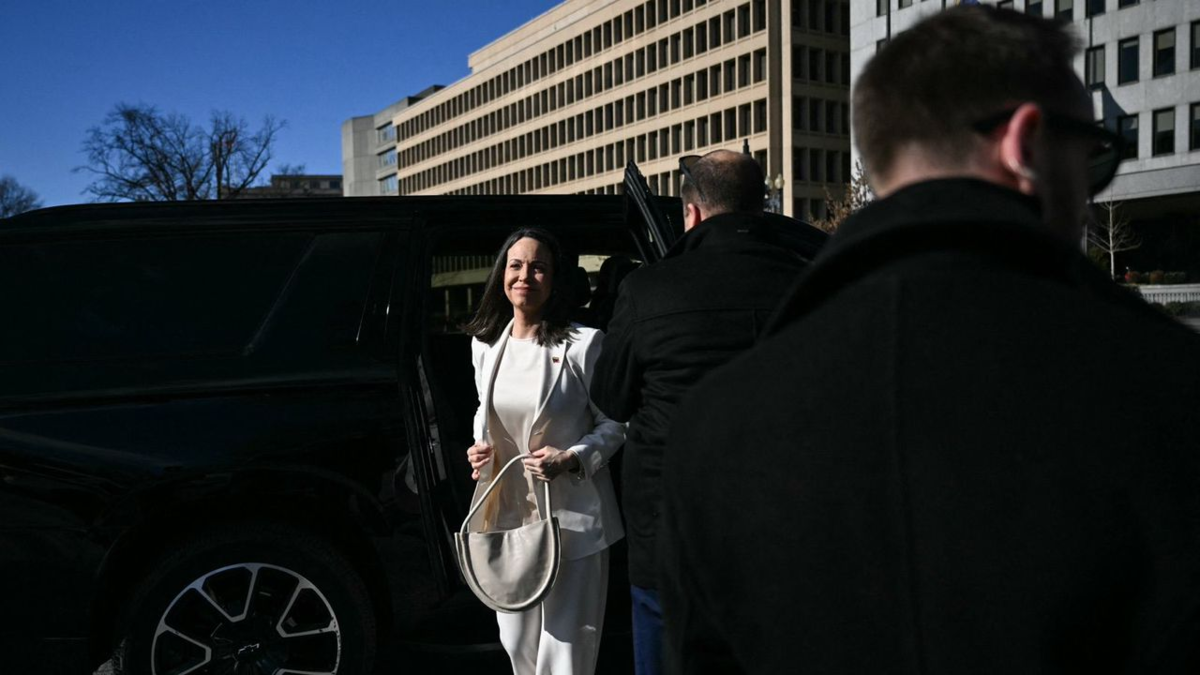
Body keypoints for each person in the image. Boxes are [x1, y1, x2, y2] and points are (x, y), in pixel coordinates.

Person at [659, 6, 1200, 674]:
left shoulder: (714, 427)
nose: (1090, 200)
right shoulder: (1170, 389)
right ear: (1025, 144)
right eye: (1093, 158)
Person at [590, 149, 809, 675]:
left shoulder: (648, 290)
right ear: (761, 207)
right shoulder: (811, 281)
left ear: (690, 214)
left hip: (671, 540)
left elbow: (611, 399)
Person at [463, 227, 625, 675]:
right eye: (516, 265)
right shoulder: (485, 347)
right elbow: (486, 413)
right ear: (502, 275)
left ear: (554, 279)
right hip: (507, 516)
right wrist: (480, 449)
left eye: (538, 267)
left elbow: (617, 423)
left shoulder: (584, 345)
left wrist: (574, 457)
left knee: (566, 654)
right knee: (516, 643)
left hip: (574, 521)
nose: (525, 276)